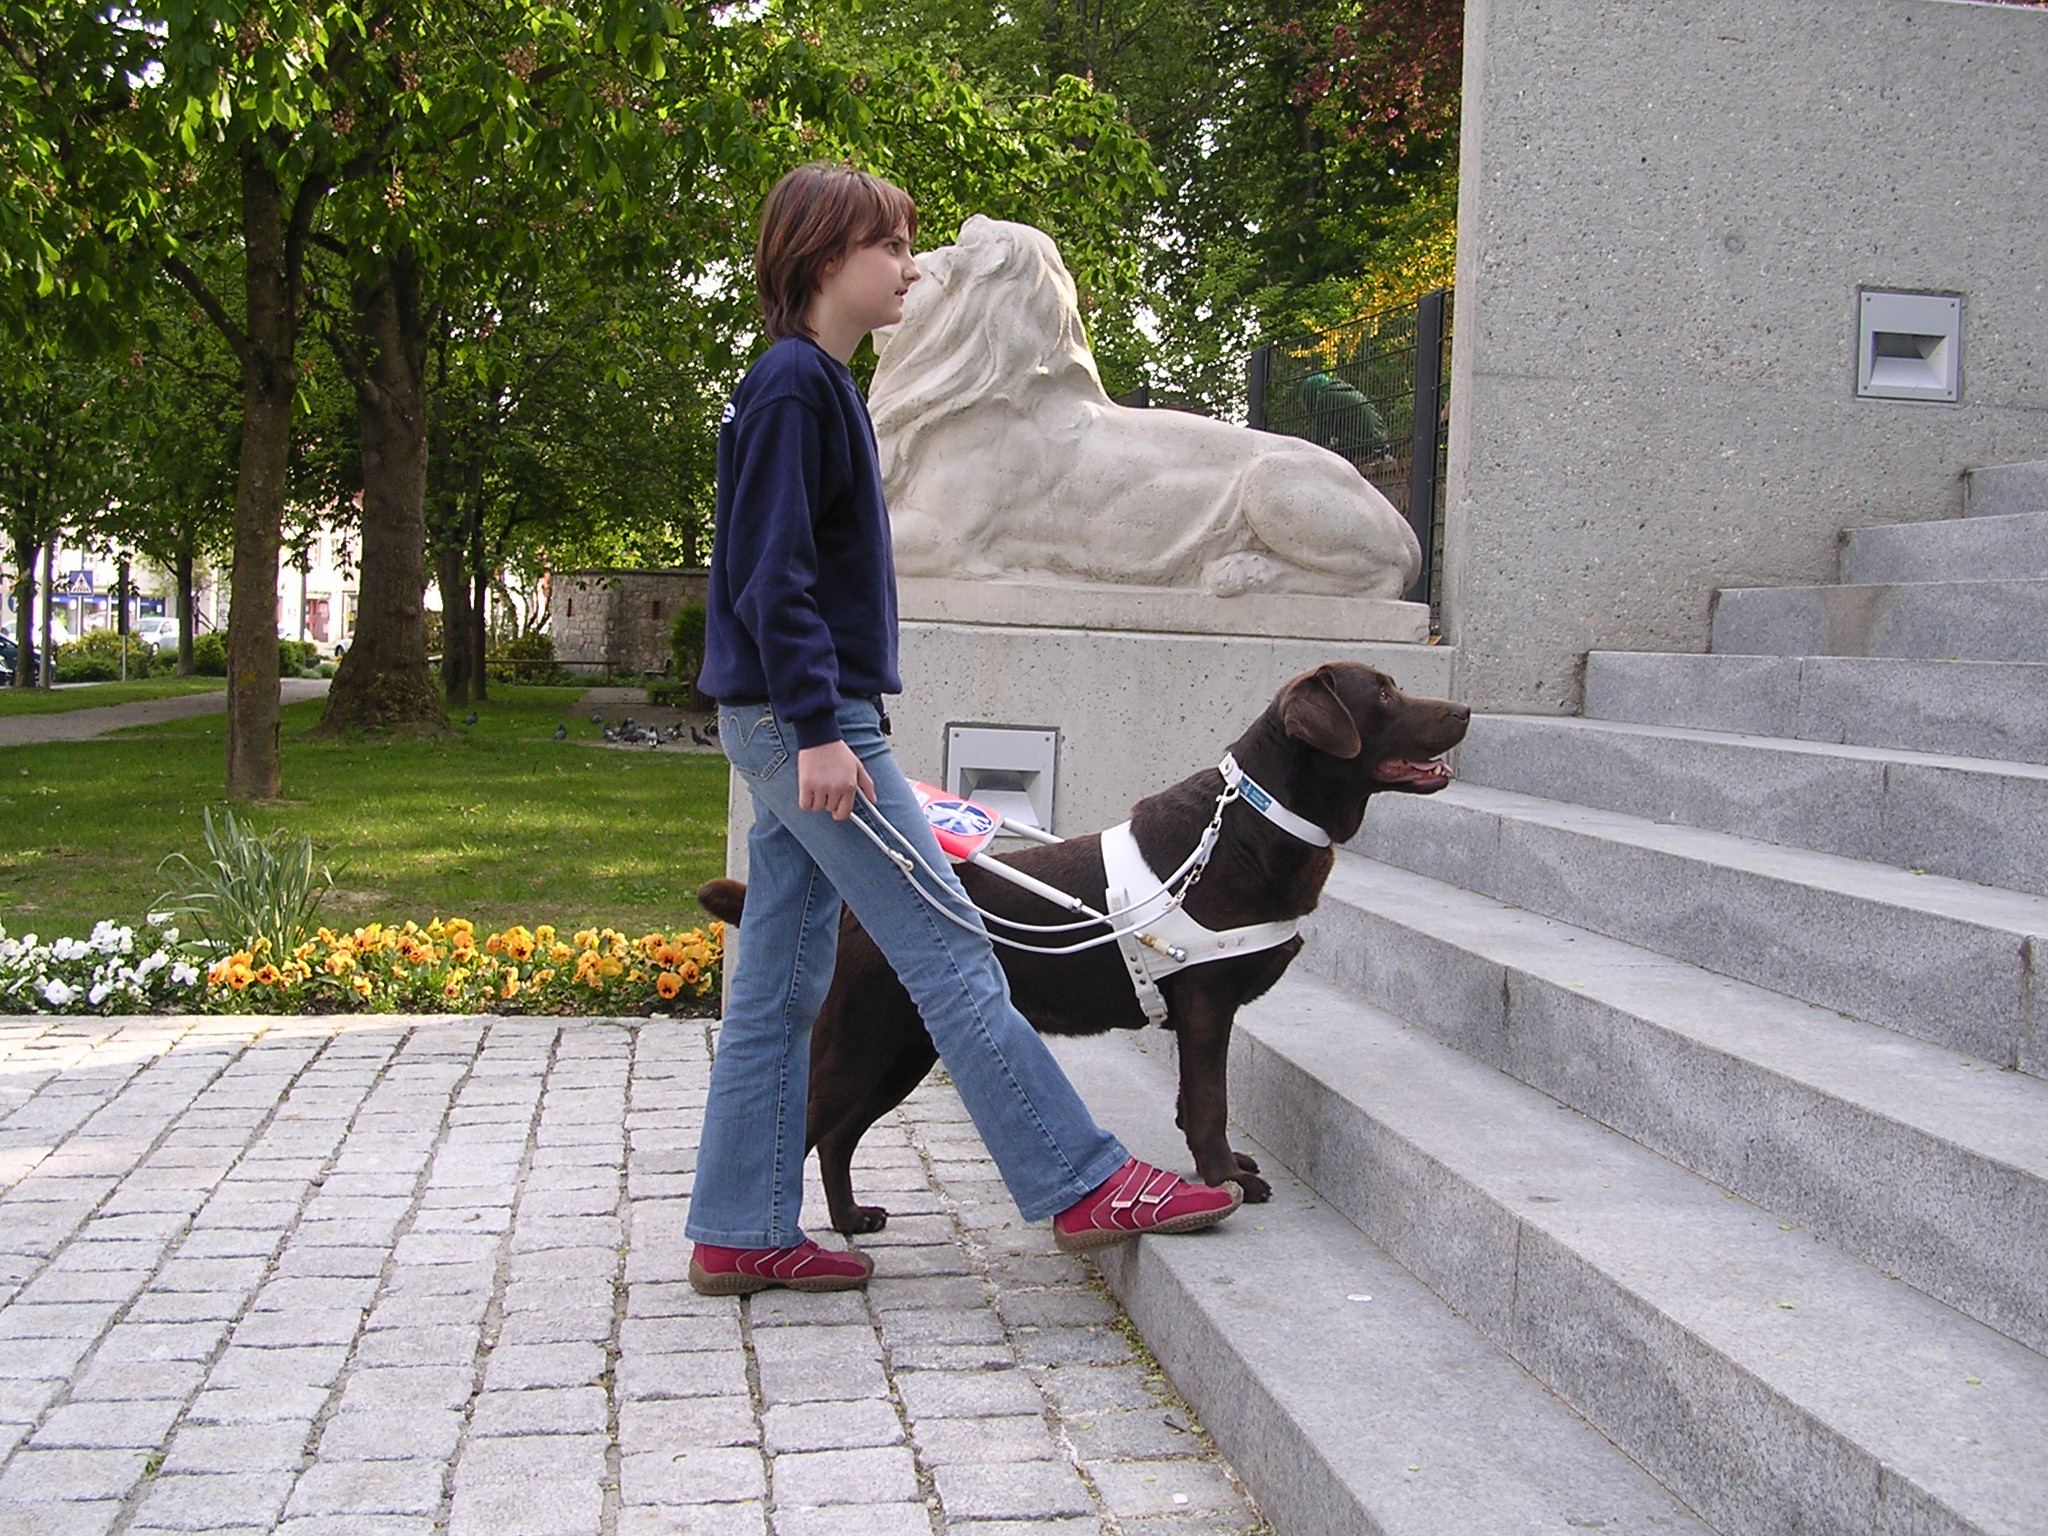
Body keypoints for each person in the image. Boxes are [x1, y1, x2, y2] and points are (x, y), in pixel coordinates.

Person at [687, 162, 1243, 1295]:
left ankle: (739, 1228)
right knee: (947, 947)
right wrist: (818, 730)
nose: (910, 266)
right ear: (821, 258)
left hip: (795, 719)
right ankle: (1081, 1181)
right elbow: (771, 582)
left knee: (778, 989)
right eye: (888, 246)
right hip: (813, 725)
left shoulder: (806, 384)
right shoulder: (797, 385)